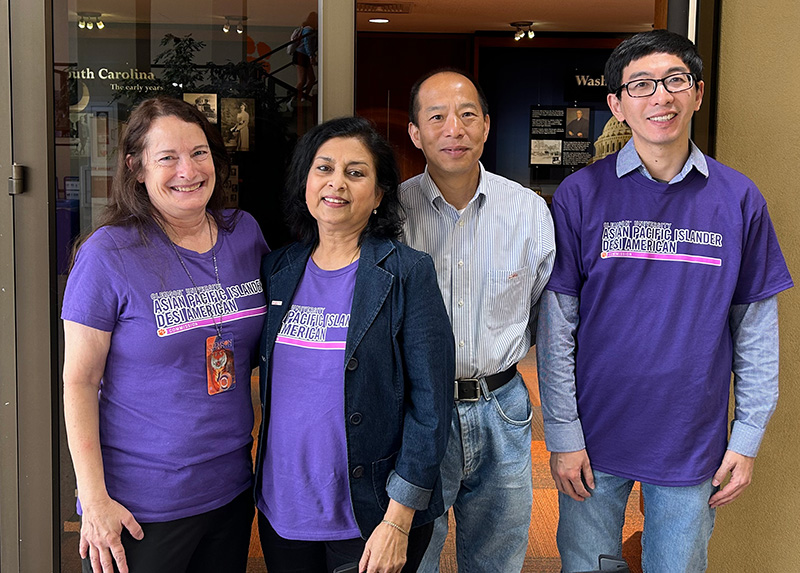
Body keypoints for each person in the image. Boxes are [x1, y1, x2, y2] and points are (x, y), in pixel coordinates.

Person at [537, 29, 793, 572]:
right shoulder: (581, 195)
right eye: (642, 84)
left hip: (692, 438)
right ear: (617, 104)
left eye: (676, 80)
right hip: (593, 435)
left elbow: (756, 332)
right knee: (587, 567)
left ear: (697, 93)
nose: (661, 96)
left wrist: (745, 440)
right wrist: (562, 434)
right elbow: (557, 327)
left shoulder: (739, 198)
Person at [61, 96, 269, 573]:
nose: (188, 170)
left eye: (199, 153)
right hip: (142, 505)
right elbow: (79, 382)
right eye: (167, 157)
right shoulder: (108, 254)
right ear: (136, 168)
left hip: (231, 488)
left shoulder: (244, 234)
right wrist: (93, 502)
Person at [255, 116, 454, 573]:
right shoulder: (277, 269)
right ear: (305, 181)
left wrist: (399, 520)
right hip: (284, 508)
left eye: (356, 172)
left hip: (371, 515)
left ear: (380, 194)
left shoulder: (407, 272)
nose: (336, 183)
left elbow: (431, 407)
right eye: (323, 168)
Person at [401, 69, 556, 572]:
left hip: (502, 406)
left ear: (487, 126)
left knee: (497, 557)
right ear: (415, 132)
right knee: (411, 553)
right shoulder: (390, 213)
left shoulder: (529, 212)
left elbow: (543, 315)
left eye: (468, 115)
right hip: (417, 408)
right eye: (437, 117)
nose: (454, 129)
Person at [292, 11, 318, 105]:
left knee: (311, 79)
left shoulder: (308, 29)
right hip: (301, 55)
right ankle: (293, 99)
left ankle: (303, 97)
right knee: (302, 80)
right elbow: (307, 43)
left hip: (304, 55)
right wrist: (311, 56)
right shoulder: (308, 29)